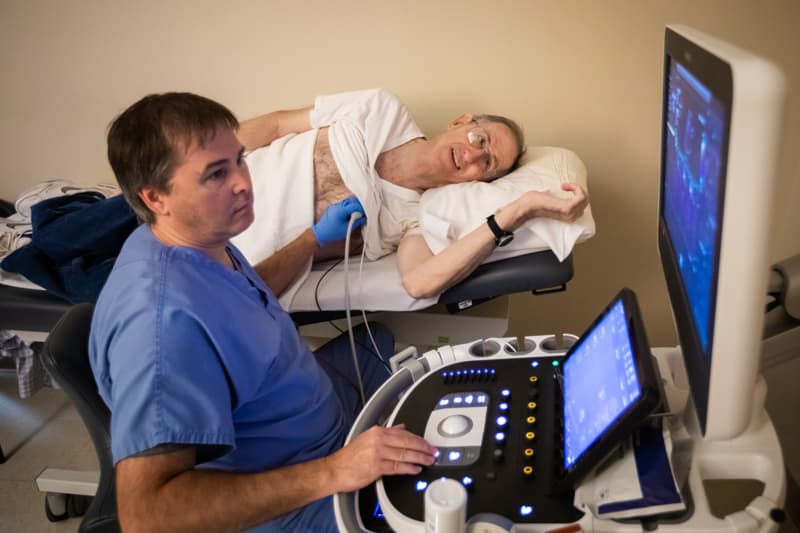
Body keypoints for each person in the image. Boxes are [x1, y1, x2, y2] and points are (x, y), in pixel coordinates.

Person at [89, 92, 437, 532]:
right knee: (448, 509)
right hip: (293, 491)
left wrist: (311, 240)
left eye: (239, 159)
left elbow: (242, 293)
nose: (243, 183)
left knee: (387, 348)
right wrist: (337, 470)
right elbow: (148, 516)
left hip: (317, 417)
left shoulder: (196, 240)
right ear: (156, 197)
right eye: (216, 174)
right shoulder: (161, 329)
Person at [232, 88, 588, 302]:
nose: (475, 155)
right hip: (209, 192)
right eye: (480, 139)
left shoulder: (415, 218)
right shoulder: (380, 109)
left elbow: (419, 283)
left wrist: (519, 210)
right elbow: (277, 124)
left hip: (232, 265)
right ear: (460, 122)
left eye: (489, 164)